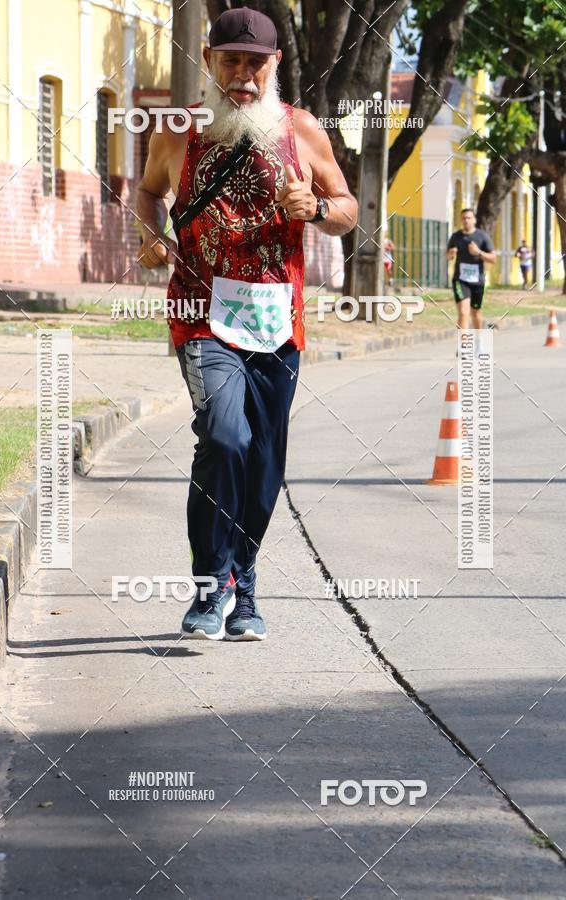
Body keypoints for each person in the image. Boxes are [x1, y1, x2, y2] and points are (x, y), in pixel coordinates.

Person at [136, 6, 358, 642]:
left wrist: (314, 206)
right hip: (200, 315)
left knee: (264, 461)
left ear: (274, 67)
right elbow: (149, 192)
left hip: (275, 320)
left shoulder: (304, 132)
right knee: (224, 437)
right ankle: (210, 588)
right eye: (230, 60)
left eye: (255, 62)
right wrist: (155, 238)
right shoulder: (178, 134)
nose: (243, 74)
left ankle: (245, 586)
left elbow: (346, 209)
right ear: (209, 63)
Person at [447, 208, 496, 329]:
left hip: (477, 280)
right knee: (464, 312)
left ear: (474, 220)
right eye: (463, 218)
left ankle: (478, 340)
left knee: (476, 312)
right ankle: (465, 346)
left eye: (469, 218)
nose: (466, 221)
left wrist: (478, 252)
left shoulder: (482, 236)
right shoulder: (456, 236)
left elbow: (493, 258)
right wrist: (451, 254)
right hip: (460, 279)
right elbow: (448, 255)